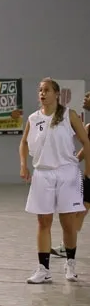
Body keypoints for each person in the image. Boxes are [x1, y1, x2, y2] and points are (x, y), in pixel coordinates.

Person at [20, 79, 90, 283]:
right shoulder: (33, 118)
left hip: (66, 173)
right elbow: (23, 143)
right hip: (43, 173)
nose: (42, 93)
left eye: (47, 90)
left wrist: (88, 169)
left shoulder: (69, 115)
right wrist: (23, 165)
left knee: (68, 223)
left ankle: (70, 264)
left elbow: (86, 141)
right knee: (43, 222)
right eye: (40, 90)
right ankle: (43, 269)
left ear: (57, 94)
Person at [51, 91, 90, 258]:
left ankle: (66, 246)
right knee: (78, 213)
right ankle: (66, 247)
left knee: (78, 214)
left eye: (88, 96)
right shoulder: (88, 127)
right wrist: (70, 162)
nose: (85, 98)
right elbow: (85, 150)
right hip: (88, 179)